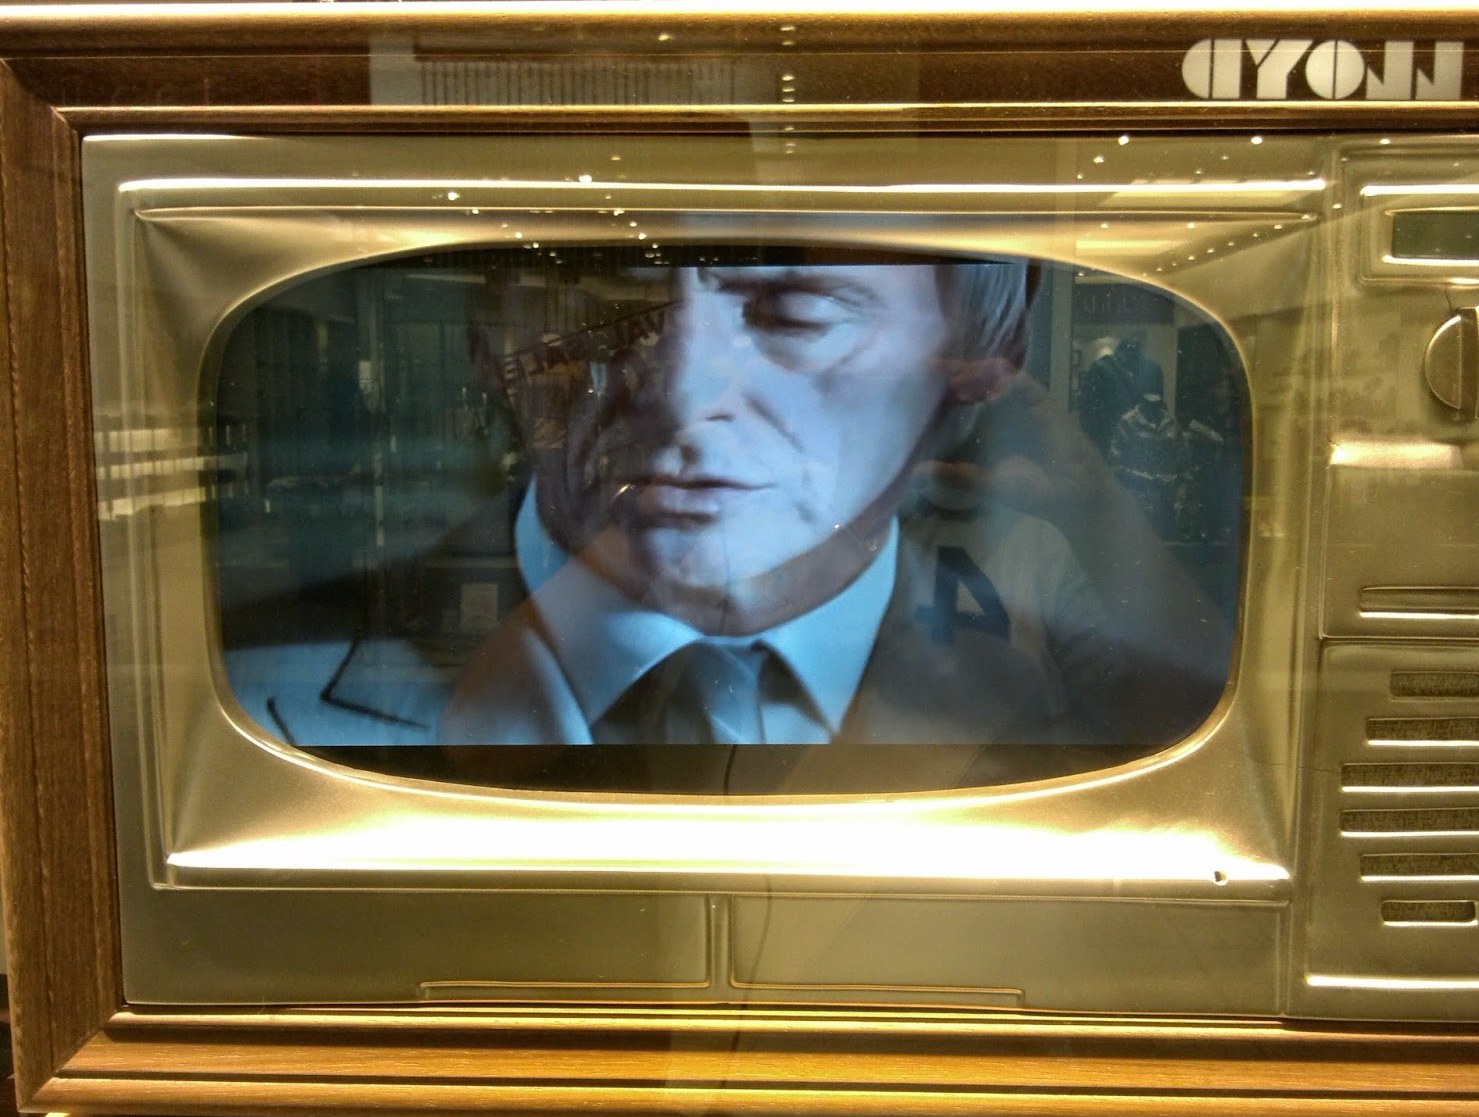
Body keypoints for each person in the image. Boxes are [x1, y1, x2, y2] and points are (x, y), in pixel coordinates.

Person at [235, 251, 1230, 788]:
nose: (676, 397)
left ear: (983, 349)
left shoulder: (1032, 588)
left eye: (797, 315)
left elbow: (1197, 790)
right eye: (603, 316)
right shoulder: (270, 688)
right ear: (485, 340)